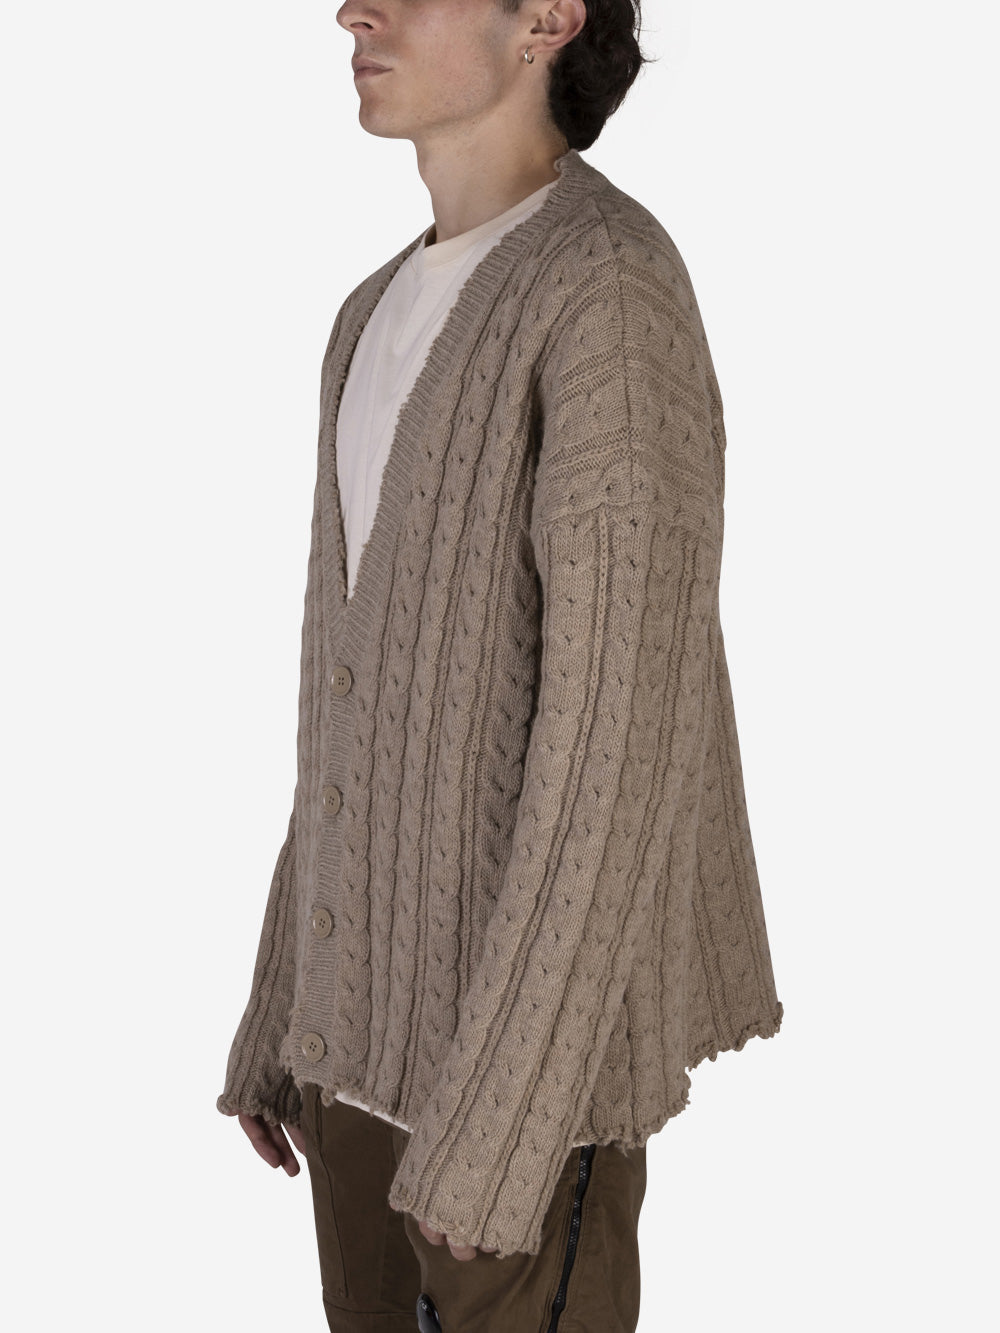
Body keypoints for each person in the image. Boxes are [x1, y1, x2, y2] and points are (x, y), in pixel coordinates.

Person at [217, 1, 784, 1329]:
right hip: (356, 1063)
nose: (353, 9)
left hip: (522, 1100)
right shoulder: (368, 315)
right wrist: (284, 1000)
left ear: (547, 19)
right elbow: (353, 712)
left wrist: (508, 1116)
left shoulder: (607, 289)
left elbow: (619, 753)